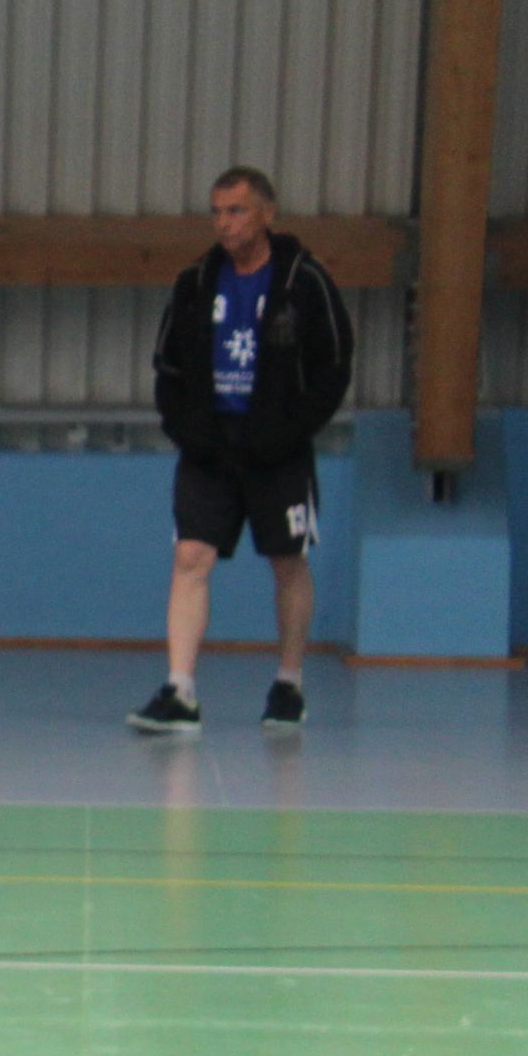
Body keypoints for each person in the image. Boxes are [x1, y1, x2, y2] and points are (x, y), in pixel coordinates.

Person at [135, 166, 351, 735]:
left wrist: (290, 430)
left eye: (236, 211)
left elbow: (333, 366)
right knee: (190, 558)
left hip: (277, 451)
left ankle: (288, 684)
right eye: (216, 212)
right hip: (210, 450)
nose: (224, 224)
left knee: (287, 561)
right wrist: (188, 430)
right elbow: (168, 367)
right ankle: (180, 690)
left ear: (266, 214)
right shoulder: (194, 283)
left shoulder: (305, 283)